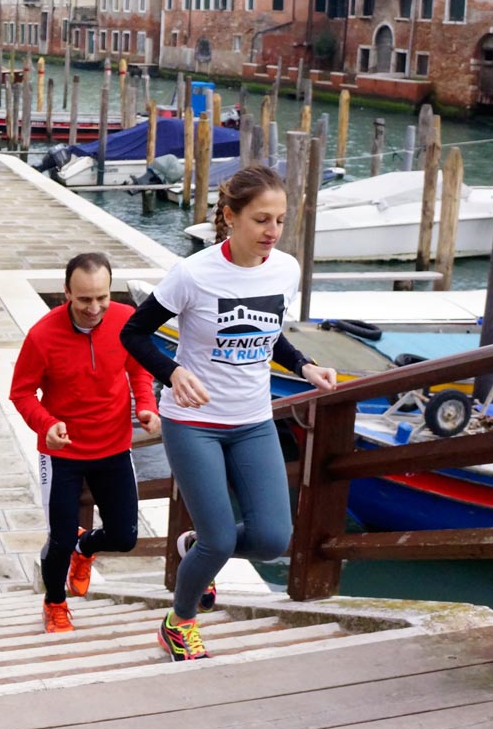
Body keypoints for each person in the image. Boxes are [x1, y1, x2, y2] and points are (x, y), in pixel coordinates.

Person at [120, 164, 337, 661]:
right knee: (219, 540)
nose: (273, 232)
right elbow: (133, 333)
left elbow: (267, 333)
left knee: (271, 538)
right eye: (262, 220)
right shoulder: (193, 274)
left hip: (254, 420)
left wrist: (304, 366)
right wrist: (172, 372)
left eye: (280, 220)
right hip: (193, 423)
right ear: (230, 216)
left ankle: (200, 547)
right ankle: (180, 621)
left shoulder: (285, 269)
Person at [10, 252, 159, 634]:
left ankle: (86, 547)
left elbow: (139, 367)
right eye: (84, 299)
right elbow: (21, 394)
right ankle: (55, 603)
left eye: (102, 298)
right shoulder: (42, 336)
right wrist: (47, 425)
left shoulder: (127, 320)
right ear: (66, 294)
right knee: (59, 539)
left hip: (113, 446)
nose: (95, 308)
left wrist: (145, 404)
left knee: (125, 537)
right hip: (62, 454)